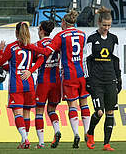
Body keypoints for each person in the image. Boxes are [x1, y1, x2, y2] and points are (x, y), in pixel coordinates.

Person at [24, 10, 91, 148]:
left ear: (64, 23)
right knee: (83, 104)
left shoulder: (59, 37)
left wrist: (27, 46)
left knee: (47, 110)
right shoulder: (82, 34)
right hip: (78, 75)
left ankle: (45, 141)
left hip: (61, 77)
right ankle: (87, 134)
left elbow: (45, 53)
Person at [0, 22, 40, 149]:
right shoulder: (31, 47)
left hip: (17, 84)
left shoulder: (11, 47)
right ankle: (24, 140)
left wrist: (1, 50)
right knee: (26, 113)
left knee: (18, 114)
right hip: (29, 83)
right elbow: (42, 57)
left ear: (16, 32)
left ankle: (25, 139)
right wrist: (31, 70)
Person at [85, 6, 122, 151]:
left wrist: (119, 78)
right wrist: (87, 78)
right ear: (99, 23)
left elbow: (116, 59)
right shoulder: (92, 38)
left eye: (109, 25)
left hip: (110, 79)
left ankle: (106, 143)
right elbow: (86, 59)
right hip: (96, 80)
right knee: (99, 112)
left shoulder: (114, 39)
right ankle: (90, 133)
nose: (106, 28)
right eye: (104, 25)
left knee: (110, 112)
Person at [33, 21, 62, 149]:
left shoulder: (37, 44)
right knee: (52, 110)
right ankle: (57, 131)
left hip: (43, 81)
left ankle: (41, 142)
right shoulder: (56, 44)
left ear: (41, 30)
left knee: (39, 112)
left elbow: (32, 60)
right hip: (56, 81)